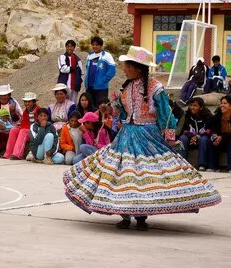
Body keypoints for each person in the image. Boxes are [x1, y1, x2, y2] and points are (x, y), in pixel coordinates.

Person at [63, 46, 221, 231]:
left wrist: (170, 137)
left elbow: (166, 114)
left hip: (148, 136)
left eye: (127, 66)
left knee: (144, 174)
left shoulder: (156, 88)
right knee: (122, 174)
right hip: (126, 136)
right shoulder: (126, 87)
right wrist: (109, 111)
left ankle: (140, 216)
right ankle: (125, 214)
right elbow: (122, 112)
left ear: (138, 67)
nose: (124, 69)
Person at [176, 97, 213, 171]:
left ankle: (202, 165)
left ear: (201, 107)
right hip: (190, 139)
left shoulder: (208, 116)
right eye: (191, 105)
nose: (192, 107)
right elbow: (185, 130)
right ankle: (182, 163)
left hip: (202, 139)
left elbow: (209, 130)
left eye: (195, 105)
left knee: (204, 139)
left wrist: (198, 137)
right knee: (182, 138)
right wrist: (192, 136)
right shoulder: (187, 116)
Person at [4, 92, 40, 160]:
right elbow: (23, 123)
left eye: (29, 102)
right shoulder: (26, 111)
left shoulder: (38, 110)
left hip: (35, 132)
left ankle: (17, 154)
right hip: (26, 129)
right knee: (13, 130)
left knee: (23, 131)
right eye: (25, 102)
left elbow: (37, 125)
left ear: (34, 102)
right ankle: (8, 153)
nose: (27, 104)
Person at [84, 36, 117, 106]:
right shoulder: (89, 56)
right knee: (90, 108)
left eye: (96, 45)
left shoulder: (107, 56)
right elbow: (87, 69)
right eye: (93, 45)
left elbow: (112, 70)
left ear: (101, 46)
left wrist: (103, 81)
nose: (94, 46)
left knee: (101, 108)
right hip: (89, 87)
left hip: (101, 88)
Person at [208, 95, 231, 172]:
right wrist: (215, 136)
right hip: (221, 140)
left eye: (225, 103)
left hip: (228, 139)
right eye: (221, 103)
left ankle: (230, 167)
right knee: (212, 140)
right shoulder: (217, 117)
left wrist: (222, 137)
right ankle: (213, 167)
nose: (222, 105)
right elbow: (213, 129)